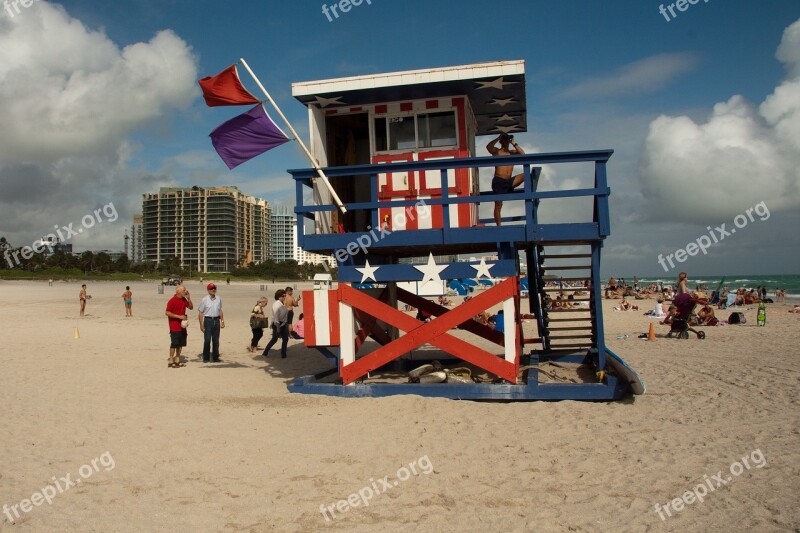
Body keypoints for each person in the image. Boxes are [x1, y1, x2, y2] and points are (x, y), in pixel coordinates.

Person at [487, 133, 525, 226]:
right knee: (498, 205)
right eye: (504, 140)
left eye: (506, 140)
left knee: (526, 175)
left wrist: (514, 143)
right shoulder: (497, 152)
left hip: (508, 182)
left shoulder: (512, 153)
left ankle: (530, 196)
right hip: (499, 181)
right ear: (501, 141)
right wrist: (498, 137)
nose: (505, 142)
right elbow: (488, 147)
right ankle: (499, 227)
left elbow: (523, 154)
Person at [165, 285, 193, 368]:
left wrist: (189, 298)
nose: (185, 291)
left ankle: (177, 359)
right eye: (184, 290)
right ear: (178, 291)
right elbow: (167, 312)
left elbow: (191, 307)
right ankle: (171, 359)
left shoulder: (184, 300)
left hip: (183, 326)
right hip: (174, 325)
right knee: (174, 343)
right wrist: (179, 316)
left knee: (181, 343)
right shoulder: (172, 301)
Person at [197, 283, 224, 363]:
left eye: (214, 288)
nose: (213, 290)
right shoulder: (204, 299)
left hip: (216, 320)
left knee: (216, 340)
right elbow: (200, 312)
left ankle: (215, 357)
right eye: (211, 288)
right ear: (208, 290)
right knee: (207, 339)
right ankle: (206, 358)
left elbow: (220, 310)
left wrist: (222, 321)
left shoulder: (218, 299)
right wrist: (201, 324)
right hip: (208, 321)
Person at [263, 289, 289, 359]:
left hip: (283, 323)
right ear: (279, 296)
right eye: (283, 296)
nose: (284, 297)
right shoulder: (276, 304)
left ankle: (283, 354)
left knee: (285, 339)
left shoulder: (281, 303)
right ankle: (265, 352)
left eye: (285, 296)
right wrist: (278, 327)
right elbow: (276, 316)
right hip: (277, 324)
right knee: (274, 339)